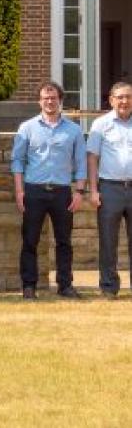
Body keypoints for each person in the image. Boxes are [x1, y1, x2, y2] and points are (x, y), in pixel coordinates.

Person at [12, 81, 86, 300]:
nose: (50, 101)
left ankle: (65, 285)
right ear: (39, 101)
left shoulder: (73, 130)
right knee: (30, 240)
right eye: (45, 98)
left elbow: (80, 162)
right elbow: (18, 161)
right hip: (33, 192)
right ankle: (29, 286)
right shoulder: (27, 128)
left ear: (60, 100)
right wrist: (19, 191)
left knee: (64, 241)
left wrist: (79, 191)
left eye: (53, 97)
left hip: (62, 192)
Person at [87, 81, 132, 299]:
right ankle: (108, 287)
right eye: (120, 97)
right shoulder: (100, 124)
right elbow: (92, 158)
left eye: (128, 97)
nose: (125, 101)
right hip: (110, 188)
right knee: (108, 241)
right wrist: (93, 190)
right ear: (112, 100)